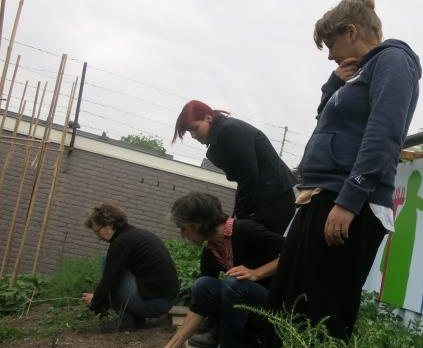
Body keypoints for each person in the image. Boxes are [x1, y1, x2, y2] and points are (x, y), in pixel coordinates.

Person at [267, 0, 422, 342]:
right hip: (322, 195)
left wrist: (350, 201)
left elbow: (384, 134)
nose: (330, 55)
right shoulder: (356, 75)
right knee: (288, 308)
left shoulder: (394, 61)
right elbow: (327, 122)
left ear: (351, 31)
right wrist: (333, 84)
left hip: (347, 200)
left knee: (322, 316)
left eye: (331, 44)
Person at [172, 101, 295, 346]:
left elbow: (249, 174)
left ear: (209, 117)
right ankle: (225, 326)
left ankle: (256, 329)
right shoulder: (218, 142)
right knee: (237, 262)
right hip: (261, 199)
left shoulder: (230, 130)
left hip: (275, 199)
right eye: (190, 133)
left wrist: (239, 220)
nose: (195, 136)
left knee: (252, 251)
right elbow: (242, 181)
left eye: (195, 129)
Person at [164, 192, 284, 348]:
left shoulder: (245, 229)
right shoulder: (210, 251)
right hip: (248, 313)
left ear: (197, 224)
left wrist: (257, 272)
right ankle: (227, 335)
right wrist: (173, 343)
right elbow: (199, 305)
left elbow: (294, 251)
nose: (182, 235)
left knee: (234, 283)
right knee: (203, 284)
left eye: (183, 228)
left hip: (275, 307)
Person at [81, 203, 179, 332]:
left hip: (154, 305)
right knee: (112, 266)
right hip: (166, 300)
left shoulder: (121, 243)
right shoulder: (135, 235)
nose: (98, 237)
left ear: (109, 224)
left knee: (108, 265)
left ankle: (126, 321)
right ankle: (136, 319)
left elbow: (110, 280)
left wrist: (95, 302)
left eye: (97, 232)